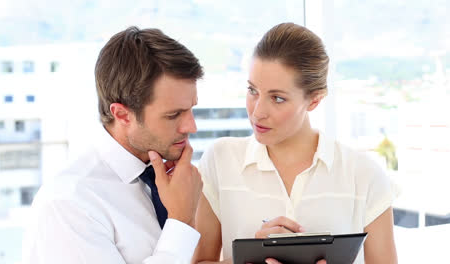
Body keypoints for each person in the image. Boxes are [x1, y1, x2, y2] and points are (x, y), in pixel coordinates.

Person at [193, 23, 398, 264]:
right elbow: (199, 261)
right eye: (252, 90)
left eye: (277, 98)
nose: (258, 112)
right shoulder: (220, 160)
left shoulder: (363, 175)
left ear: (315, 99)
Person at [22, 26, 204, 264]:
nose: (191, 127)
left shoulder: (176, 180)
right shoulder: (69, 204)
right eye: (173, 115)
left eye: (192, 108)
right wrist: (181, 220)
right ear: (123, 115)